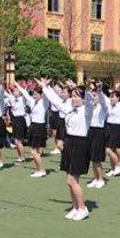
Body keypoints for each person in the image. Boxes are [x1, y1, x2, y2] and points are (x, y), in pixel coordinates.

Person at [39, 78, 94, 222]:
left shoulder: (86, 111)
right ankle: (75, 207)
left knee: (72, 180)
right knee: (69, 178)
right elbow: (56, 101)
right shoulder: (69, 108)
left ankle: (83, 208)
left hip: (80, 143)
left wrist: (88, 88)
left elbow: (88, 101)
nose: (73, 98)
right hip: (69, 142)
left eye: (77, 96)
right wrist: (45, 87)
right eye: (73, 96)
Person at [15, 82, 48, 178]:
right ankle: (38, 169)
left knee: (34, 152)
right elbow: (24, 93)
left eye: (36, 94)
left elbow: (47, 95)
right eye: (33, 94)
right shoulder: (32, 101)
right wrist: (16, 84)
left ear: (41, 95)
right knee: (34, 151)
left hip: (39, 127)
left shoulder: (44, 102)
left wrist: (43, 85)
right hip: (33, 126)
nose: (34, 96)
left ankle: (42, 170)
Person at [104, 86, 120, 177]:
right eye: (110, 96)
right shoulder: (109, 105)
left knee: (113, 148)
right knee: (111, 149)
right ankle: (113, 168)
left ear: (118, 98)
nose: (111, 98)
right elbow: (103, 97)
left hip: (117, 127)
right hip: (109, 127)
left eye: (113, 96)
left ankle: (119, 165)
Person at [86, 83, 108, 189]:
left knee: (97, 157)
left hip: (99, 132)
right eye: (93, 95)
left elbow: (103, 101)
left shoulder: (103, 106)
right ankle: (95, 178)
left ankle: (101, 179)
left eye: (96, 95)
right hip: (90, 131)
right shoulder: (90, 106)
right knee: (92, 157)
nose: (94, 97)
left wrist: (99, 91)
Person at [6, 85, 28, 163]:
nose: (15, 92)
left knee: (18, 140)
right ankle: (19, 156)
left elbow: (25, 93)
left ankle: (22, 157)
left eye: (17, 91)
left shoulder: (23, 99)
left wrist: (21, 88)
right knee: (16, 140)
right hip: (15, 120)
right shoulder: (12, 98)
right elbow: (6, 95)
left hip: (20, 120)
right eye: (14, 91)